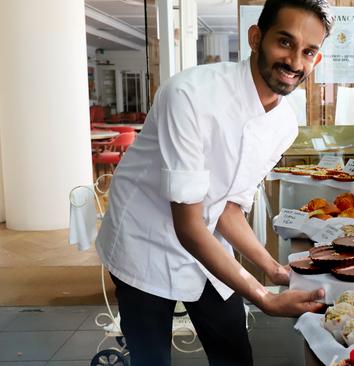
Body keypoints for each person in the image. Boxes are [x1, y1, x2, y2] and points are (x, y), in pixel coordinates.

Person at [95, 1, 333, 365]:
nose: (295, 62)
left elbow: (227, 206)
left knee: (234, 353)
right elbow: (187, 224)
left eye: (308, 52)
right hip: (144, 242)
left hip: (207, 243)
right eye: (285, 42)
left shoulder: (285, 124)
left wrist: (272, 269)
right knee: (151, 359)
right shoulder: (189, 95)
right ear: (256, 37)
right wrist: (264, 297)